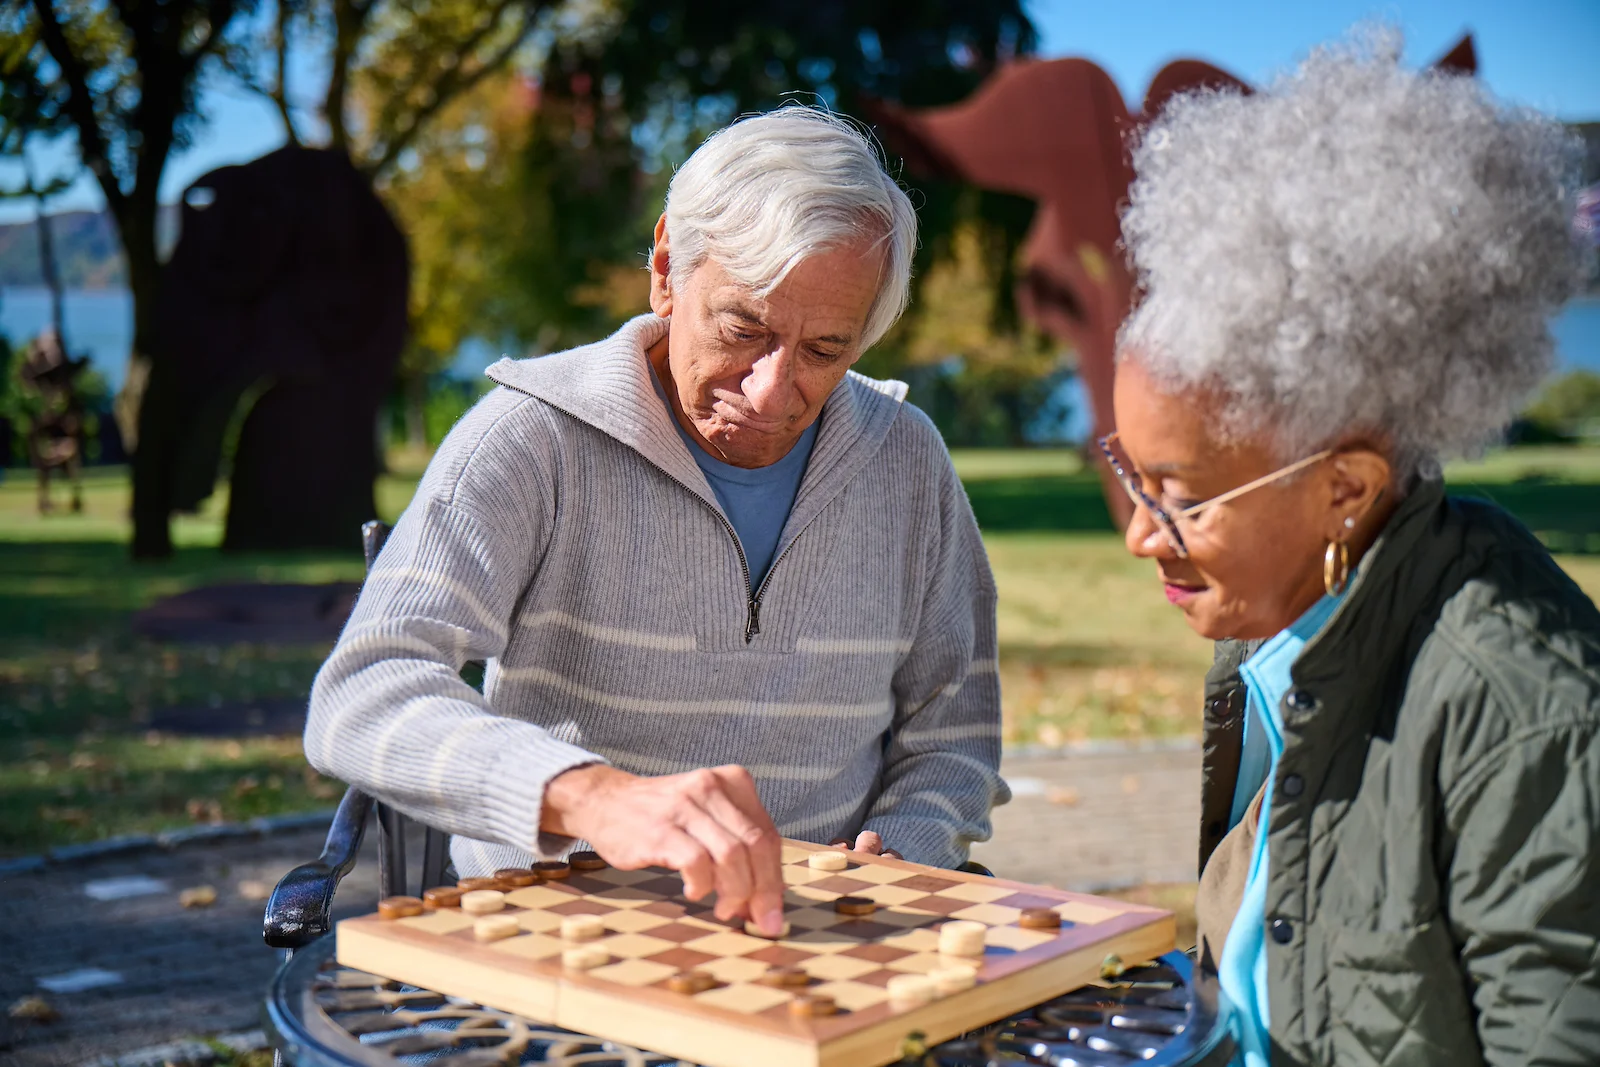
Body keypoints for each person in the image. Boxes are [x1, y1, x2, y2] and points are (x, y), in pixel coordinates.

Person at [305, 106, 1007, 938]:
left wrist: (898, 855)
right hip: (559, 947)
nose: (771, 392)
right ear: (668, 269)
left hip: (816, 944)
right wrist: (592, 797)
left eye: (825, 349)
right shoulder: (532, 437)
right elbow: (361, 695)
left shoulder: (907, 461)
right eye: (744, 328)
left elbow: (954, 736)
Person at [1105, 31, 1598, 1067]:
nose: (1141, 533)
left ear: (1345, 489)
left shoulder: (1525, 718)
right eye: (1130, 476)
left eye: (1181, 497)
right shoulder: (1281, 618)